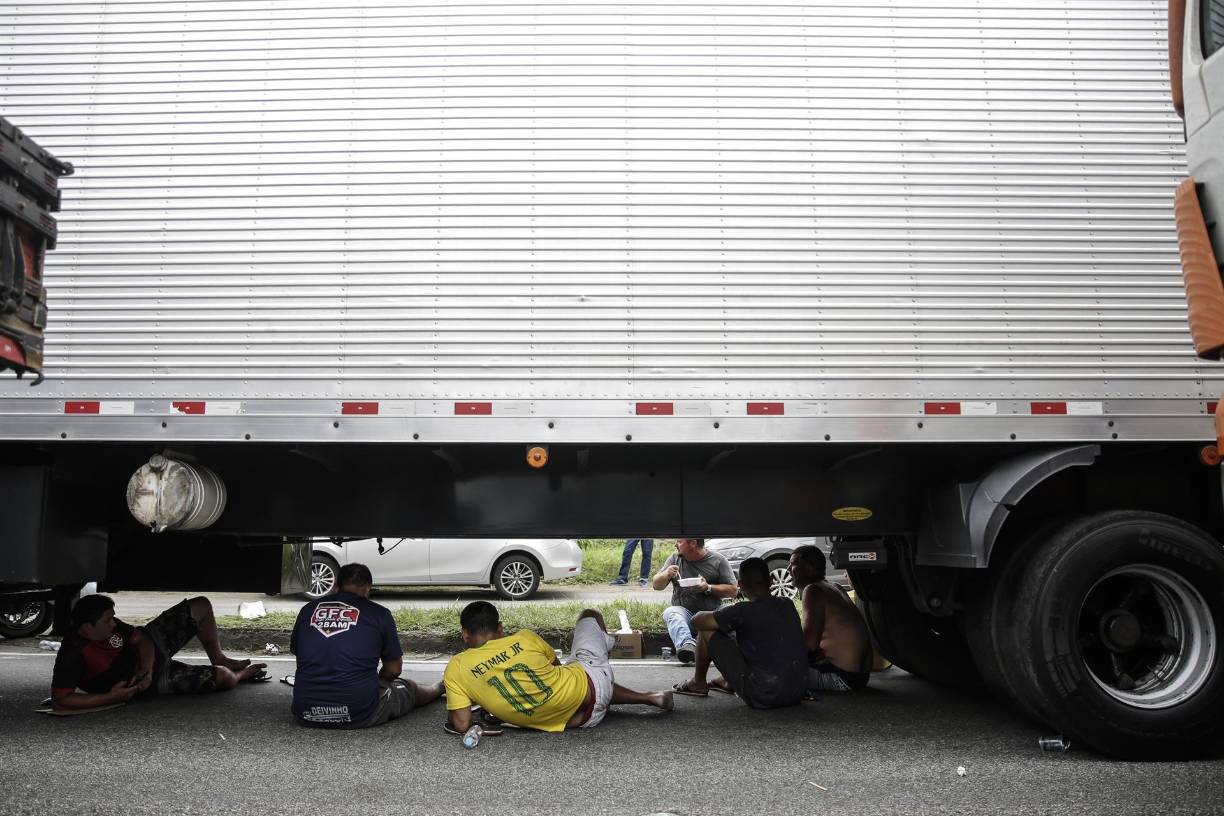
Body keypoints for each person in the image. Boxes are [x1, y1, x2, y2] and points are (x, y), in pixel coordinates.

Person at [443, 601, 672, 733]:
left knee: (577, 675)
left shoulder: (456, 668)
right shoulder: (526, 637)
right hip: (593, 683)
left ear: (465, 634)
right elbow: (556, 667)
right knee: (589, 615)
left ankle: (649, 697)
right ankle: (646, 694)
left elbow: (462, 724)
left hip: (584, 720)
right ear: (501, 629)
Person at [50, 594, 266, 711]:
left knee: (201, 605)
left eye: (113, 617)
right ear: (88, 628)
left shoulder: (113, 626)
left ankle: (219, 657)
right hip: (154, 681)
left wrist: (146, 667)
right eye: (107, 620)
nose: (114, 623)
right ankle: (240, 674)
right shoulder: (73, 654)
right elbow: (61, 700)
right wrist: (109, 698)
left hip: (153, 647)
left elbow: (141, 638)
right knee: (224, 678)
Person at [290, 563, 443, 728]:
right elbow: (394, 670)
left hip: (305, 711)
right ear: (368, 588)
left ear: (336, 587)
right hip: (360, 712)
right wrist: (380, 683)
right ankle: (440, 687)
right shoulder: (379, 614)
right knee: (408, 687)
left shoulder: (307, 610)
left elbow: (300, 654)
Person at [672, 557, 807, 708]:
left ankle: (698, 683)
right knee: (747, 636)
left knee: (706, 631)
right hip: (797, 692)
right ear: (771, 580)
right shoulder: (787, 604)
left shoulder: (742, 611)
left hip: (764, 695)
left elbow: (696, 621)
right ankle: (728, 681)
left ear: (741, 585)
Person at [788, 544, 872, 691]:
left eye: (793, 564)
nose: (788, 569)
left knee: (773, 669)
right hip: (861, 676)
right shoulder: (835, 586)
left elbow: (808, 644)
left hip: (842, 677)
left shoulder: (813, 590)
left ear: (808, 569)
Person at [650, 537, 737, 664]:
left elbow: (733, 591)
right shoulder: (675, 558)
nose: (676, 545)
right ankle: (687, 647)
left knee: (732, 610)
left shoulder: (718, 560)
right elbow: (656, 586)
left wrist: (708, 588)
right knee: (671, 612)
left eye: (680, 542)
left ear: (693, 543)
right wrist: (666, 574)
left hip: (711, 615)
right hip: (686, 616)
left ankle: (735, 648)